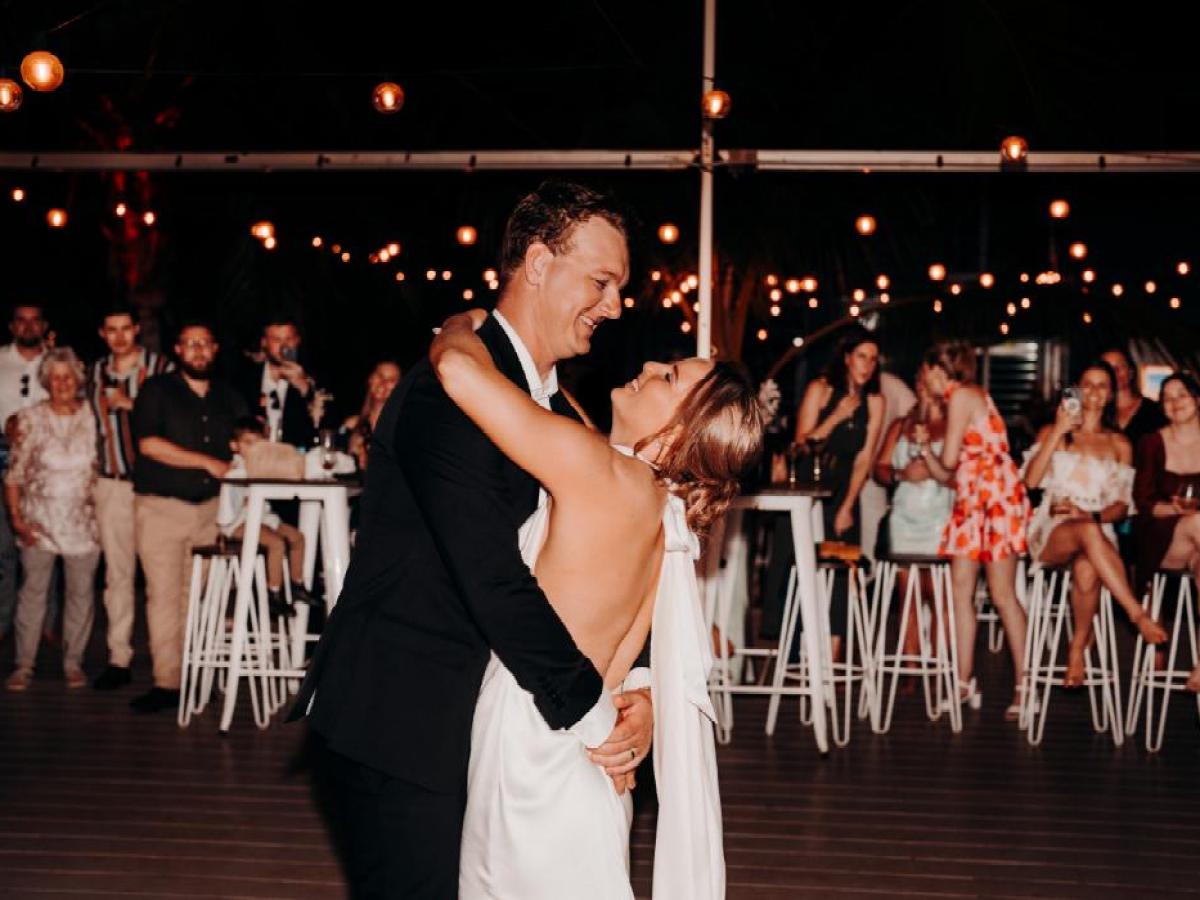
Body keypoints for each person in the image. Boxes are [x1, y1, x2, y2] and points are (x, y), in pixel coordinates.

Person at [290, 181, 654, 897]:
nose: (615, 305)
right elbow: (491, 577)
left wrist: (636, 689)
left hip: (495, 723)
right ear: (540, 263)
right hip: (405, 721)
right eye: (602, 281)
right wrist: (596, 716)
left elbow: (608, 560)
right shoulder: (446, 395)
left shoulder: (556, 409)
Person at [432, 309, 761, 898]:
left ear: (680, 434)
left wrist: (461, 324)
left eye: (669, 378)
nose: (650, 365)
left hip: (532, 751)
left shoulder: (602, 475)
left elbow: (457, 370)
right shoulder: (658, 506)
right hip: (588, 749)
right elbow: (563, 412)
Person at [1022, 361, 1166, 687]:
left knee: (1087, 568)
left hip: (1098, 532)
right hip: (1053, 528)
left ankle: (1077, 649)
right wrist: (1058, 430)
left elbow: (1121, 507)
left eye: (1102, 385)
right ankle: (1137, 614)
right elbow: (1030, 482)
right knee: (1087, 532)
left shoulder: (1119, 444)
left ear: (1111, 394)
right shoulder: (1054, 433)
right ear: (1077, 388)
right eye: (1088, 384)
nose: (1094, 392)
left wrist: (1092, 516)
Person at [130, 321, 247, 713]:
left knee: (198, 598)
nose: (198, 350)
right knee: (163, 596)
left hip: (211, 511)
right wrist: (208, 462)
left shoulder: (229, 397)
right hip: (161, 508)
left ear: (215, 349)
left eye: (205, 343)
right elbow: (148, 444)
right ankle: (167, 683)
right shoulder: (157, 390)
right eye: (190, 343)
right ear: (178, 350)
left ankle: (195, 675)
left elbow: (249, 441)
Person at [916, 340, 1030, 718]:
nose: (924, 381)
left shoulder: (963, 395)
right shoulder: (961, 399)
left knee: (1002, 595)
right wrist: (926, 450)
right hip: (970, 501)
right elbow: (946, 473)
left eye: (926, 373)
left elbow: (949, 460)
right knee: (960, 593)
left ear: (938, 370)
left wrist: (935, 446)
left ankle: (1025, 684)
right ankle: (964, 682)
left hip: (995, 501)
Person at [761, 332, 883, 654]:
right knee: (794, 567)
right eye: (862, 356)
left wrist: (848, 505)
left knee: (839, 573)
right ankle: (792, 654)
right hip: (806, 487)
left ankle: (830, 659)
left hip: (843, 491)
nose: (868, 365)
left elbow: (865, 460)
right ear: (847, 358)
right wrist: (836, 417)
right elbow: (800, 445)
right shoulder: (820, 389)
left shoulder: (875, 401)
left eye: (873, 359)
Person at [87, 304, 173, 691]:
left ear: (137, 329)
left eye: (126, 328)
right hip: (112, 485)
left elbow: (177, 419)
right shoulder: (93, 373)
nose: (119, 336)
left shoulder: (161, 369)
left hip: (157, 487)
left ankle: (166, 660)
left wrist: (132, 405)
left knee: (160, 577)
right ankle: (119, 658)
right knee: (117, 575)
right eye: (112, 330)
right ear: (102, 334)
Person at [4, 348, 99, 692]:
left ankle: (73, 662)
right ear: (45, 381)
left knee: (80, 594)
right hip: (38, 522)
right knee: (33, 593)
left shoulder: (94, 415)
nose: (61, 383)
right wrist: (17, 518)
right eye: (55, 377)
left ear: (78, 380)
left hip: (85, 522)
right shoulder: (29, 418)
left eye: (67, 377)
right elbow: (14, 476)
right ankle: (23, 664)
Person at [217, 417, 313, 616]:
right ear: (235, 446)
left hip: (263, 518)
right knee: (276, 543)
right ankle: (273, 593)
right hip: (238, 523)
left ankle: (297, 584)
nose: (254, 449)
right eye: (248, 443)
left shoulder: (263, 467)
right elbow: (229, 509)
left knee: (297, 537)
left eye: (258, 444)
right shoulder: (235, 472)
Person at [0, 303, 53, 645]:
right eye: (21, 320)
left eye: (35, 321)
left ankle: (47, 622)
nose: (28, 326)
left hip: (47, 462)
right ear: (12, 326)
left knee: (46, 544)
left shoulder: (58, 361)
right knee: (3, 547)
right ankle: (3, 620)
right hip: (3, 457)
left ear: (44, 326)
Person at [234, 314, 318, 447]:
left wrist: (305, 389)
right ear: (264, 342)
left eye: (289, 339)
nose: (284, 346)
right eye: (276, 340)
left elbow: (327, 426)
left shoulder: (313, 376)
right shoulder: (246, 379)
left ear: (297, 340)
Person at [860, 369, 916, 562]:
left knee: (871, 547)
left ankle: (870, 576)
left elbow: (913, 417)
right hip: (838, 476)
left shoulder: (892, 385)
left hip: (871, 481)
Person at [1101, 346, 1167, 448]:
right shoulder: (1097, 413)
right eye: (1109, 368)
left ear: (1131, 372)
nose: (1115, 371)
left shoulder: (1154, 411)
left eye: (1121, 366)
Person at [341, 359, 402, 470]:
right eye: (380, 376)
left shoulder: (403, 427)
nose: (383, 382)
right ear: (370, 379)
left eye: (391, 380)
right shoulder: (352, 425)